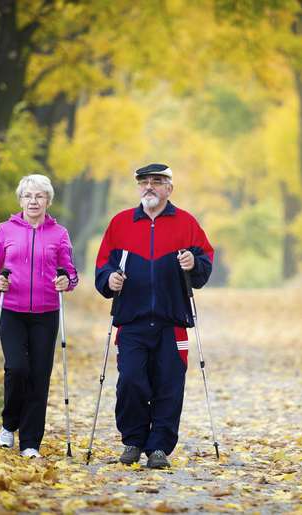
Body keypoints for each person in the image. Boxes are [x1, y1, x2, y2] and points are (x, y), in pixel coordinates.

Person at [95, 163, 214, 469]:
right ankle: (133, 441)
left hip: (171, 322)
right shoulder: (121, 223)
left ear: (169, 188)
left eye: (157, 182)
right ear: (138, 187)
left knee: (169, 385)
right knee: (131, 381)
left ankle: (159, 447)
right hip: (131, 321)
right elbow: (102, 265)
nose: (150, 186)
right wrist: (109, 280)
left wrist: (192, 263)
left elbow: (205, 263)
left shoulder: (186, 223)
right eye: (144, 182)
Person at [0, 174, 78, 458]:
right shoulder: (4, 230)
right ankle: (9, 426)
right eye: (28, 196)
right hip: (11, 310)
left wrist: (66, 282)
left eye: (39, 196)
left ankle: (31, 442)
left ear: (48, 201)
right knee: (17, 368)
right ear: (20, 200)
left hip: (47, 313)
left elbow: (70, 272)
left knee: (39, 375)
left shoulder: (59, 234)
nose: (33, 201)